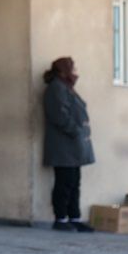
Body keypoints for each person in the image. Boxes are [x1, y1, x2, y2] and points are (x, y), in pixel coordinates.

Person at [42, 57, 95, 232]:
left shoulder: (66, 87)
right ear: (63, 71)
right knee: (64, 183)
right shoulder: (56, 88)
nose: (75, 72)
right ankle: (61, 219)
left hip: (73, 146)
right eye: (72, 69)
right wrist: (76, 130)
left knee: (74, 182)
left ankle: (74, 217)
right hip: (64, 146)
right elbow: (59, 115)